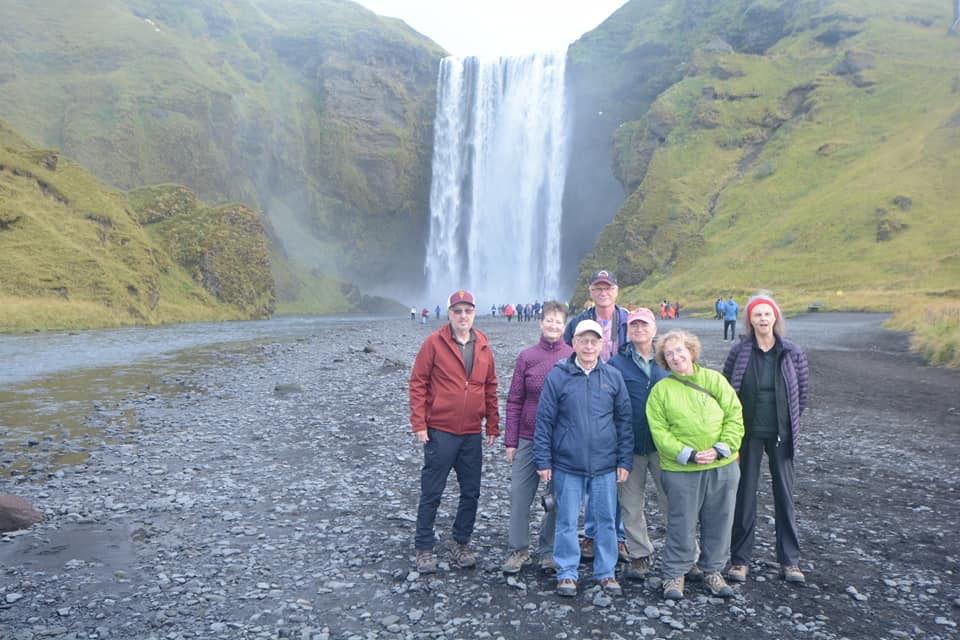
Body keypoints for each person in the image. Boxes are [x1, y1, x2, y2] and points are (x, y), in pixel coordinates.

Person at [534, 319, 633, 597]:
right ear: (573, 343)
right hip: (567, 463)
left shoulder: (613, 377)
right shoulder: (558, 375)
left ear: (602, 345)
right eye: (583, 341)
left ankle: (606, 572)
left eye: (594, 341)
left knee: (605, 520)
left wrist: (624, 461)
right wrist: (543, 460)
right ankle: (567, 572)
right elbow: (544, 421)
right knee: (566, 520)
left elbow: (625, 421)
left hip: (604, 465)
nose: (589, 346)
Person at [646, 329, 744, 600]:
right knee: (681, 522)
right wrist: (688, 453)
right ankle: (675, 574)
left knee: (720, 520)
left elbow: (734, 416)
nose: (676, 357)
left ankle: (713, 570)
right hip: (681, 469)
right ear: (664, 361)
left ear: (691, 351)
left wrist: (719, 449)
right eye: (669, 354)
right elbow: (660, 431)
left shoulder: (714, 380)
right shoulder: (661, 391)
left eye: (680, 350)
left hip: (721, 465)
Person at [409, 290, 500, 574]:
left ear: (474, 313)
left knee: (471, 492)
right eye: (457, 311)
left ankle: (461, 542)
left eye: (467, 311)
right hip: (440, 430)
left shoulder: (483, 344)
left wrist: (493, 424)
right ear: (449, 313)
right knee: (432, 491)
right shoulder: (433, 343)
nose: (463, 316)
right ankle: (424, 547)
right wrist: (420, 424)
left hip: (472, 432)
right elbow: (418, 383)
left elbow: (490, 387)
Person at [723, 295, 809, 585]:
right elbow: (726, 390)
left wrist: (790, 421)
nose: (762, 319)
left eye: (767, 314)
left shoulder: (792, 351)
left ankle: (790, 561)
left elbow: (802, 393)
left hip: (781, 434)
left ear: (775, 318)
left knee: (785, 496)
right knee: (744, 495)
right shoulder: (740, 351)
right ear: (750, 320)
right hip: (746, 434)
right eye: (757, 315)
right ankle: (739, 560)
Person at [561, 269, 630, 560]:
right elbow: (567, 351)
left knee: (619, 471)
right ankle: (591, 534)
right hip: (589, 393)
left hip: (619, 392)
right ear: (591, 291)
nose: (603, 292)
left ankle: (620, 535)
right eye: (598, 288)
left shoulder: (627, 319)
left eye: (608, 287)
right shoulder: (578, 321)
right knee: (594, 466)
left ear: (616, 290)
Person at [501, 301, 574, 574]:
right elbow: (514, 400)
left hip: (561, 440)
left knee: (557, 497)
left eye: (558, 321)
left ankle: (548, 549)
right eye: (548, 320)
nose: (553, 325)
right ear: (540, 323)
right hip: (528, 437)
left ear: (565, 326)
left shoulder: (573, 356)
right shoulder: (527, 357)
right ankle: (518, 549)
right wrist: (511, 441)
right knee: (520, 495)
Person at [608, 308, 669, 580]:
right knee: (631, 503)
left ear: (654, 329)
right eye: (634, 326)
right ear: (627, 331)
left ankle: (686, 555)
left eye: (644, 325)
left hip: (664, 446)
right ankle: (640, 554)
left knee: (674, 503)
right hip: (629, 445)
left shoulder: (668, 359)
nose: (639, 330)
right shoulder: (616, 364)